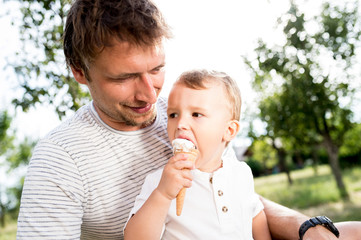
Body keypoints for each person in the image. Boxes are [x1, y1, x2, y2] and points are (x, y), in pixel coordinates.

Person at [16, 0, 361, 239]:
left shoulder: (181, 110)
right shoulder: (59, 160)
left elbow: (234, 195)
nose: (149, 95)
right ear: (80, 72)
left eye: (157, 69)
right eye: (123, 78)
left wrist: (308, 227)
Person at [124, 69, 272, 240]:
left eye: (196, 114)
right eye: (173, 114)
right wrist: (163, 194)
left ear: (229, 130)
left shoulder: (241, 172)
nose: (180, 124)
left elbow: (255, 215)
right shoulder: (160, 181)